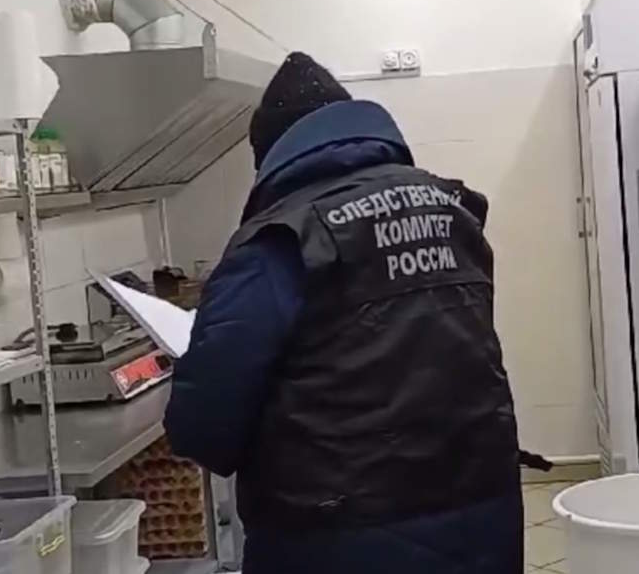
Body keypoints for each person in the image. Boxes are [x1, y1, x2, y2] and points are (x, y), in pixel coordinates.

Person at [164, 52, 523, 574]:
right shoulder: (454, 209)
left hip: (338, 534)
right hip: (482, 507)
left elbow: (204, 428)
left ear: (272, 155)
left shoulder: (278, 242)